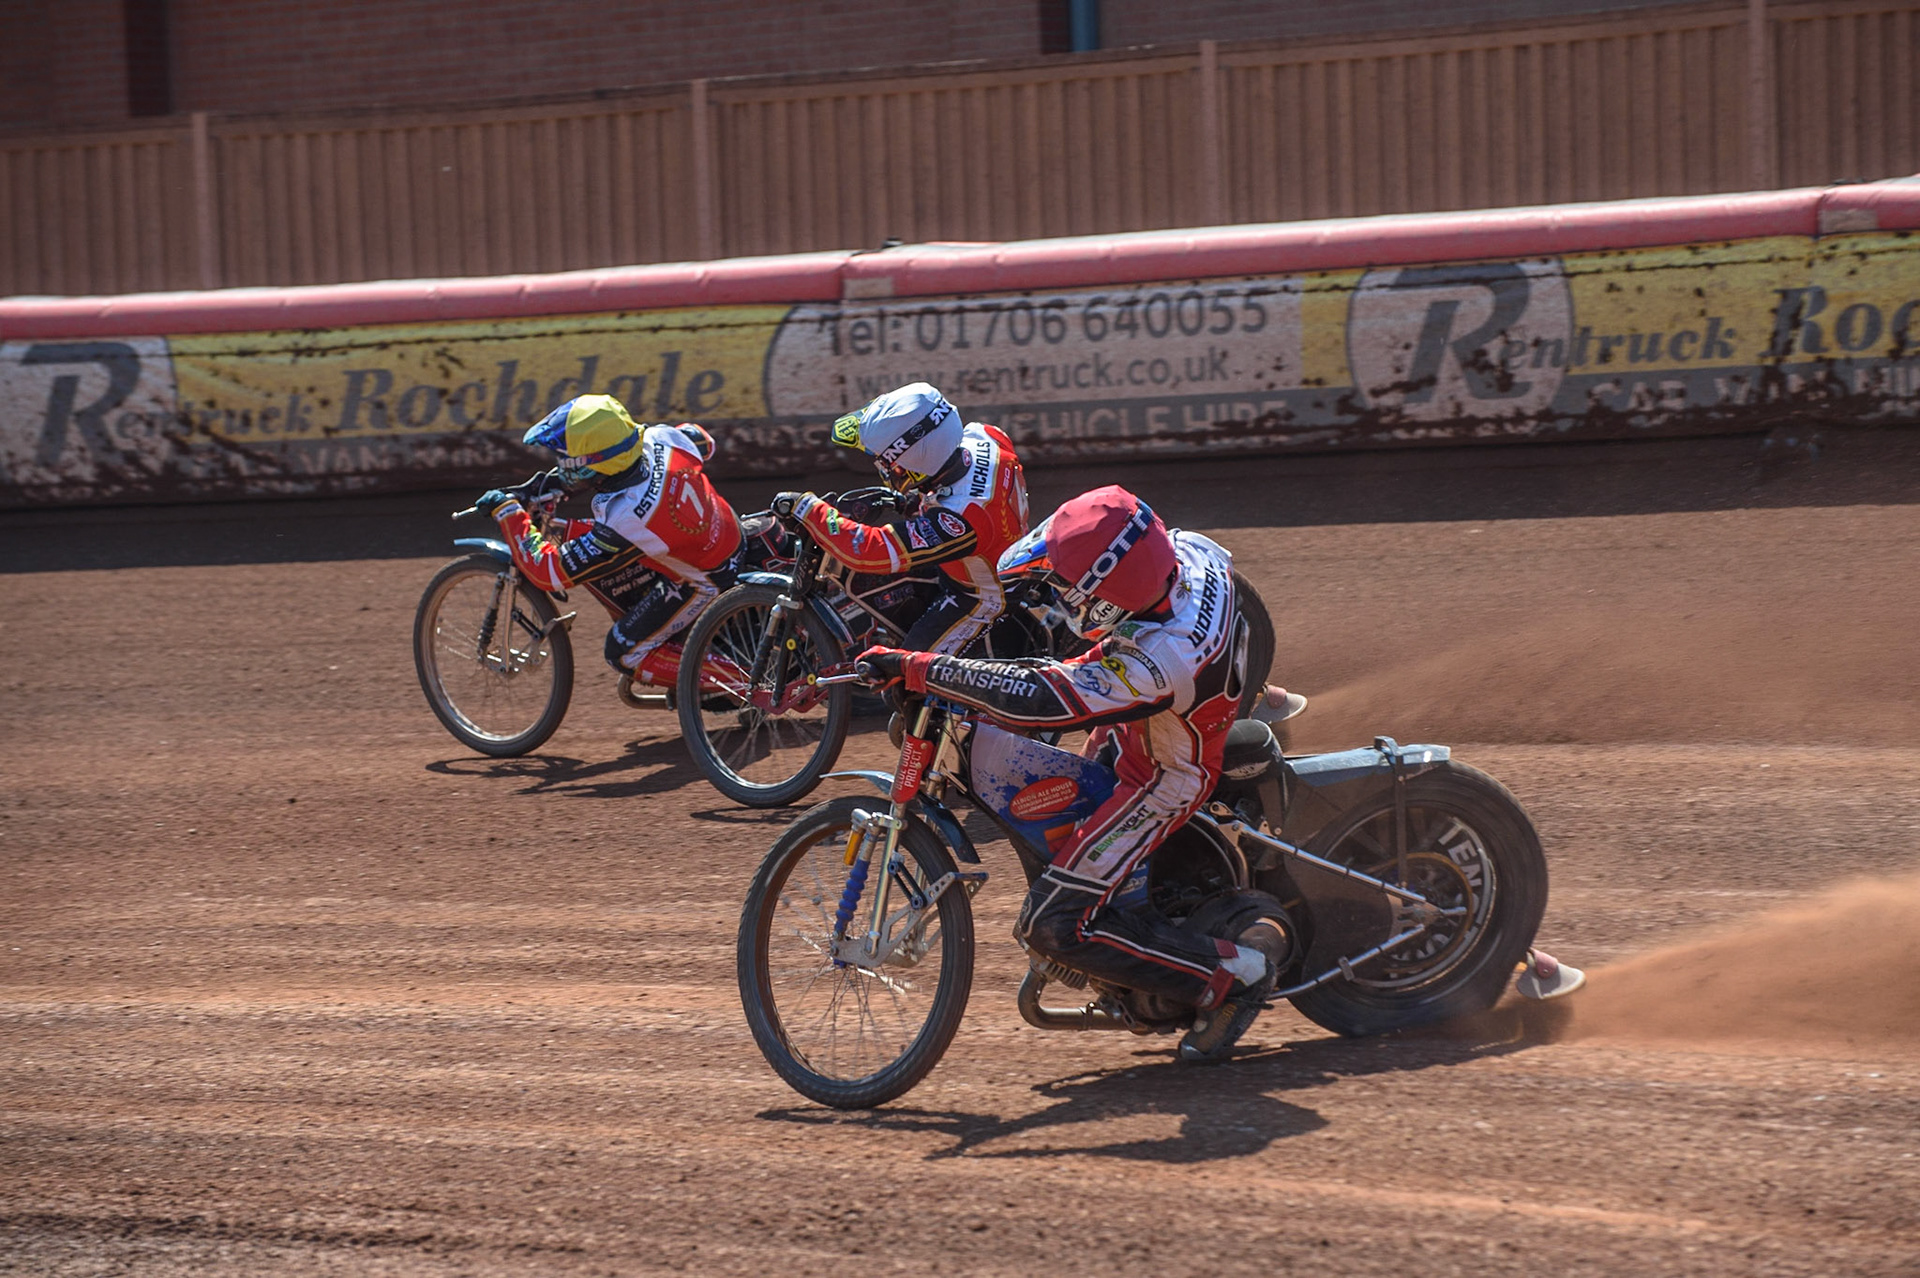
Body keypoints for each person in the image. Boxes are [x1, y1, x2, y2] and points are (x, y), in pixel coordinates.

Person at [855, 485, 1285, 1063]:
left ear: (1110, 595)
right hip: (1171, 705)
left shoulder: (1160, 657)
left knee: (1055, 925)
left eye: (1067, 587)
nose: (1057, 595)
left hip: (1164, 777)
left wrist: (919, 667)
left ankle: (1233, 980)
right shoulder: (1187, 554)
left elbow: (1039, 699)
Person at [474, 394, 741, 686]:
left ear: (594, 465)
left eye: (566, 458)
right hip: (732, 534)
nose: (561, 464)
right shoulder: (660, 437)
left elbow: (549, 573)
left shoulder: (625, 519)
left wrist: (511, 515)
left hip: (703, 581)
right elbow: (703, 442)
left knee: (623, 652)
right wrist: (543, 486)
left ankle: (742, 683)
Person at [770, 382, 1028, 656]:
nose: (881, 466)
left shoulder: (960, 518)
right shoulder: (985, 436)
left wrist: (810, 509)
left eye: (884, 461)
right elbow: (962, 489)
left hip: (980, 599)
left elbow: (868, 550)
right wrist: (912, 502)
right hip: (989, 554)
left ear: (915, 462)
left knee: (905, 675)